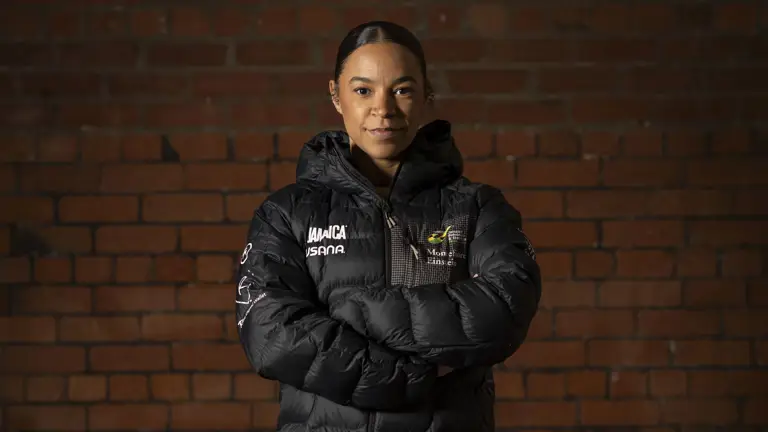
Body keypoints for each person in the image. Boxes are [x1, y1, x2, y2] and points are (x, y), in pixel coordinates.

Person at [235, 20, 542, 432]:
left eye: (402, 90)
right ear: (336, 96)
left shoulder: (477, 207)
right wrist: (412, 378)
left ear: (426, 95)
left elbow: (505, 306)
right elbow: (271, 334)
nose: (384, 109)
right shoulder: (286, 213)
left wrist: (356, 312)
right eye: (363, 90)